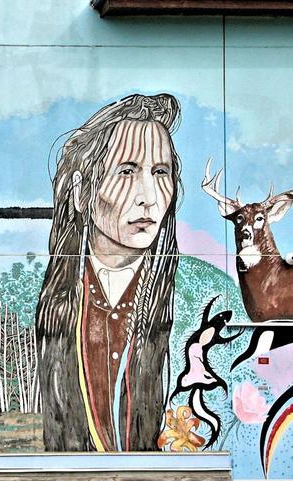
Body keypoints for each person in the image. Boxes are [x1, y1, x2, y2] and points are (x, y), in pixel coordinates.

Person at [36, 94, 182, 451]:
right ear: (80, 192)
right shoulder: (52, 303)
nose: (149, 196)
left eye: (160, 172)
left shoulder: (197, 301)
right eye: (127, 172)